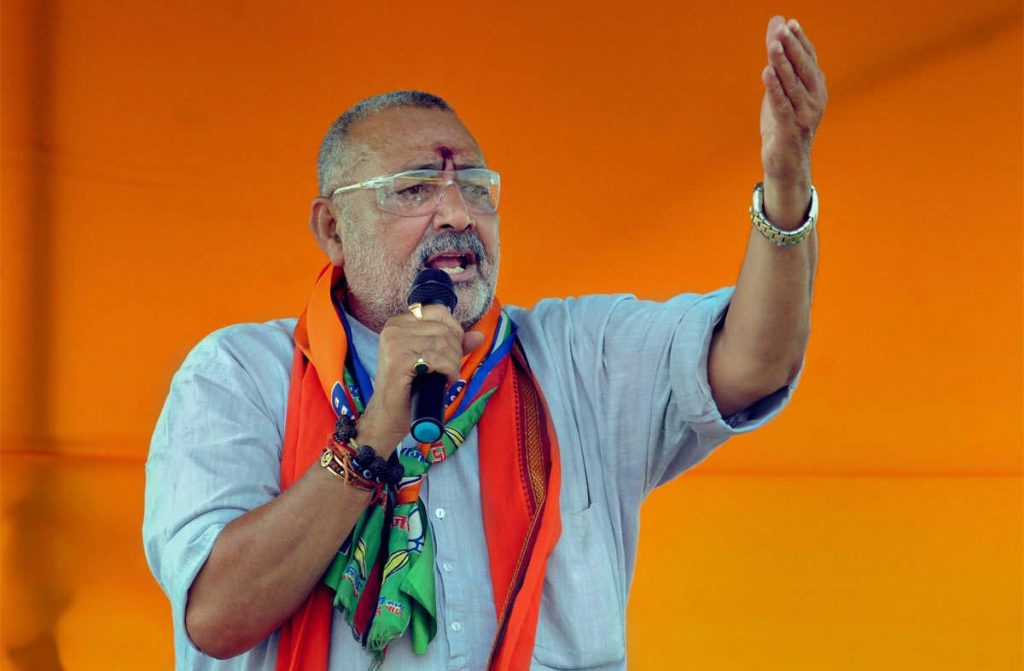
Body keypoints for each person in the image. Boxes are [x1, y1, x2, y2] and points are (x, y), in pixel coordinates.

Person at [143, 14, 826, 671]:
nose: (456, 214)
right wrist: (373, 435)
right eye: (415, 188)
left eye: (475, 188)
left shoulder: (574, 358)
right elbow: (218, 616)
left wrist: (787, 188)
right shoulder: (237, 374)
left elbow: (756, 363)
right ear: (332, 229)